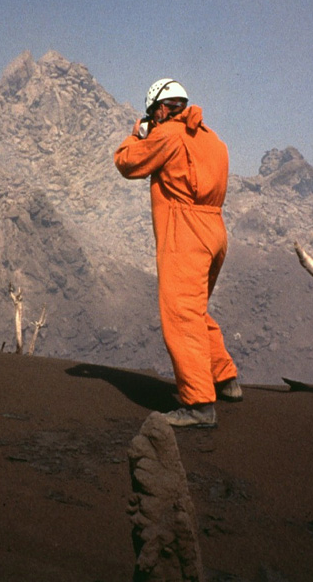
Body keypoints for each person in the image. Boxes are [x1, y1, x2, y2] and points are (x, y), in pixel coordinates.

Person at [114, 78, 242, 428]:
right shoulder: (214, 139)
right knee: (195, 308)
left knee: (181, 316)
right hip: (215, 230)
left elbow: (127, 163)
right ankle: (226, 379)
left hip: (185, 233)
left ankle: (199, 404)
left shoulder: (167, 134)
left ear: (159, 109)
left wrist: (137, 135)